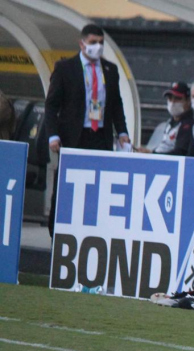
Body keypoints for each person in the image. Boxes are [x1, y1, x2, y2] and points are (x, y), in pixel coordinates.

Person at [44, 23, 130, 236]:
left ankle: (93, 232)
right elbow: (52, 104)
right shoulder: (65, 68)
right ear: (82, 43)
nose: (98, 47)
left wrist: (122, 133)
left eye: (101, 43)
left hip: (99, 136)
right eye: (93, 43)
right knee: (66, 186)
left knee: (99, 187)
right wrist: (53, 135)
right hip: (73, 136)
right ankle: (56, 232)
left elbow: (116, 104)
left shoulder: (111, 70)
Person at [137, 81, 194, 155]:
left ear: (188, 101)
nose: (173, 102)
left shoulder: (188, 125)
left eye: (177, 98)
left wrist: (152, 154)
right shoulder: (170, 122)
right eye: (170, 98)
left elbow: (180, 153)